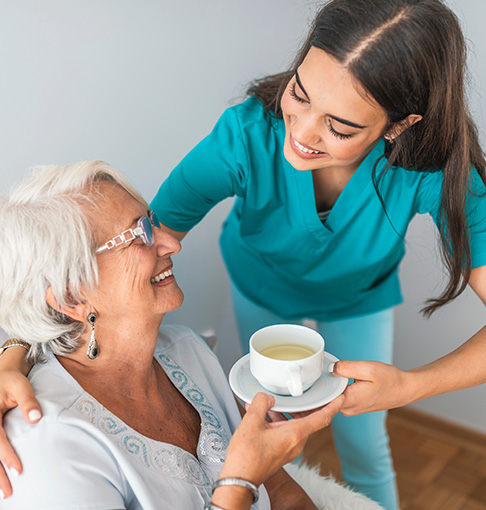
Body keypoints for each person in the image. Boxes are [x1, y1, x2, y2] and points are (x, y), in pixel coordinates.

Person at [1, 0, 486, 508]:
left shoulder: (436, 174)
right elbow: (95, 263)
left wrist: (410, 386)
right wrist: (15, 352)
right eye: (299, 94)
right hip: (261, 287)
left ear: (399, 125)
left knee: (366, 444)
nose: (300, 134)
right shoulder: (246, 136)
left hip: (358, 299)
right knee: (269, 425)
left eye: (339, 127)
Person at [0, 161, 345, 509]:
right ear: (72, 297)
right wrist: (239, 484)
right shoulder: (52, 445)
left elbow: (284, 494)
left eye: (151, 221)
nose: (170, 243)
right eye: (139, 235)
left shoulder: (187, 350)